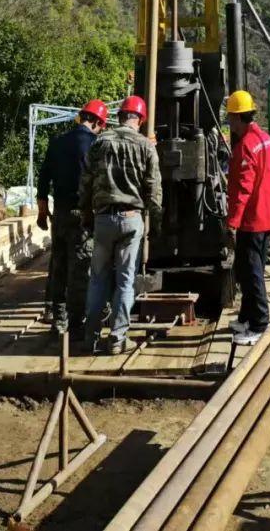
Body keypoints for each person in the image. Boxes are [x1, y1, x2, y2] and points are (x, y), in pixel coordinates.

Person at [79, 94, 162, 355]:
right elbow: (154, 188)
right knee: (125, 282)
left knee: (98, 280)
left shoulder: (100, 142)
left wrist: (86, 214)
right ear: (140, 119)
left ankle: (90, 337)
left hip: (103, 219)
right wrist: (156, 221)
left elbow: (85, 182)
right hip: (131, 219)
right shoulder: (146, 146)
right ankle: (117, 339)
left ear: (120, 117)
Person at [36, 99, 108, 338]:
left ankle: (58, 321)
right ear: (98, 122)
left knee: (59, 266)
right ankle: (76, 325)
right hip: (82, 215)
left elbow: (43, 179)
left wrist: (42, 211)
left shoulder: (57, 143)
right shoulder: (95, 146)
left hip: (59, 215)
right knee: (80, 271)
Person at [225, 89, 270, 346]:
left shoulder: (246, 146)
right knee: (246, 268)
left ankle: (259, 324)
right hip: (267, 215)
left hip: (253, 218)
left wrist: (232, 223)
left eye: (230, 117)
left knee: (252, 272)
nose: (228, 122)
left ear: (238, 117)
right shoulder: (266, 139)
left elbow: (243, 189)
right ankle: (246, 317)